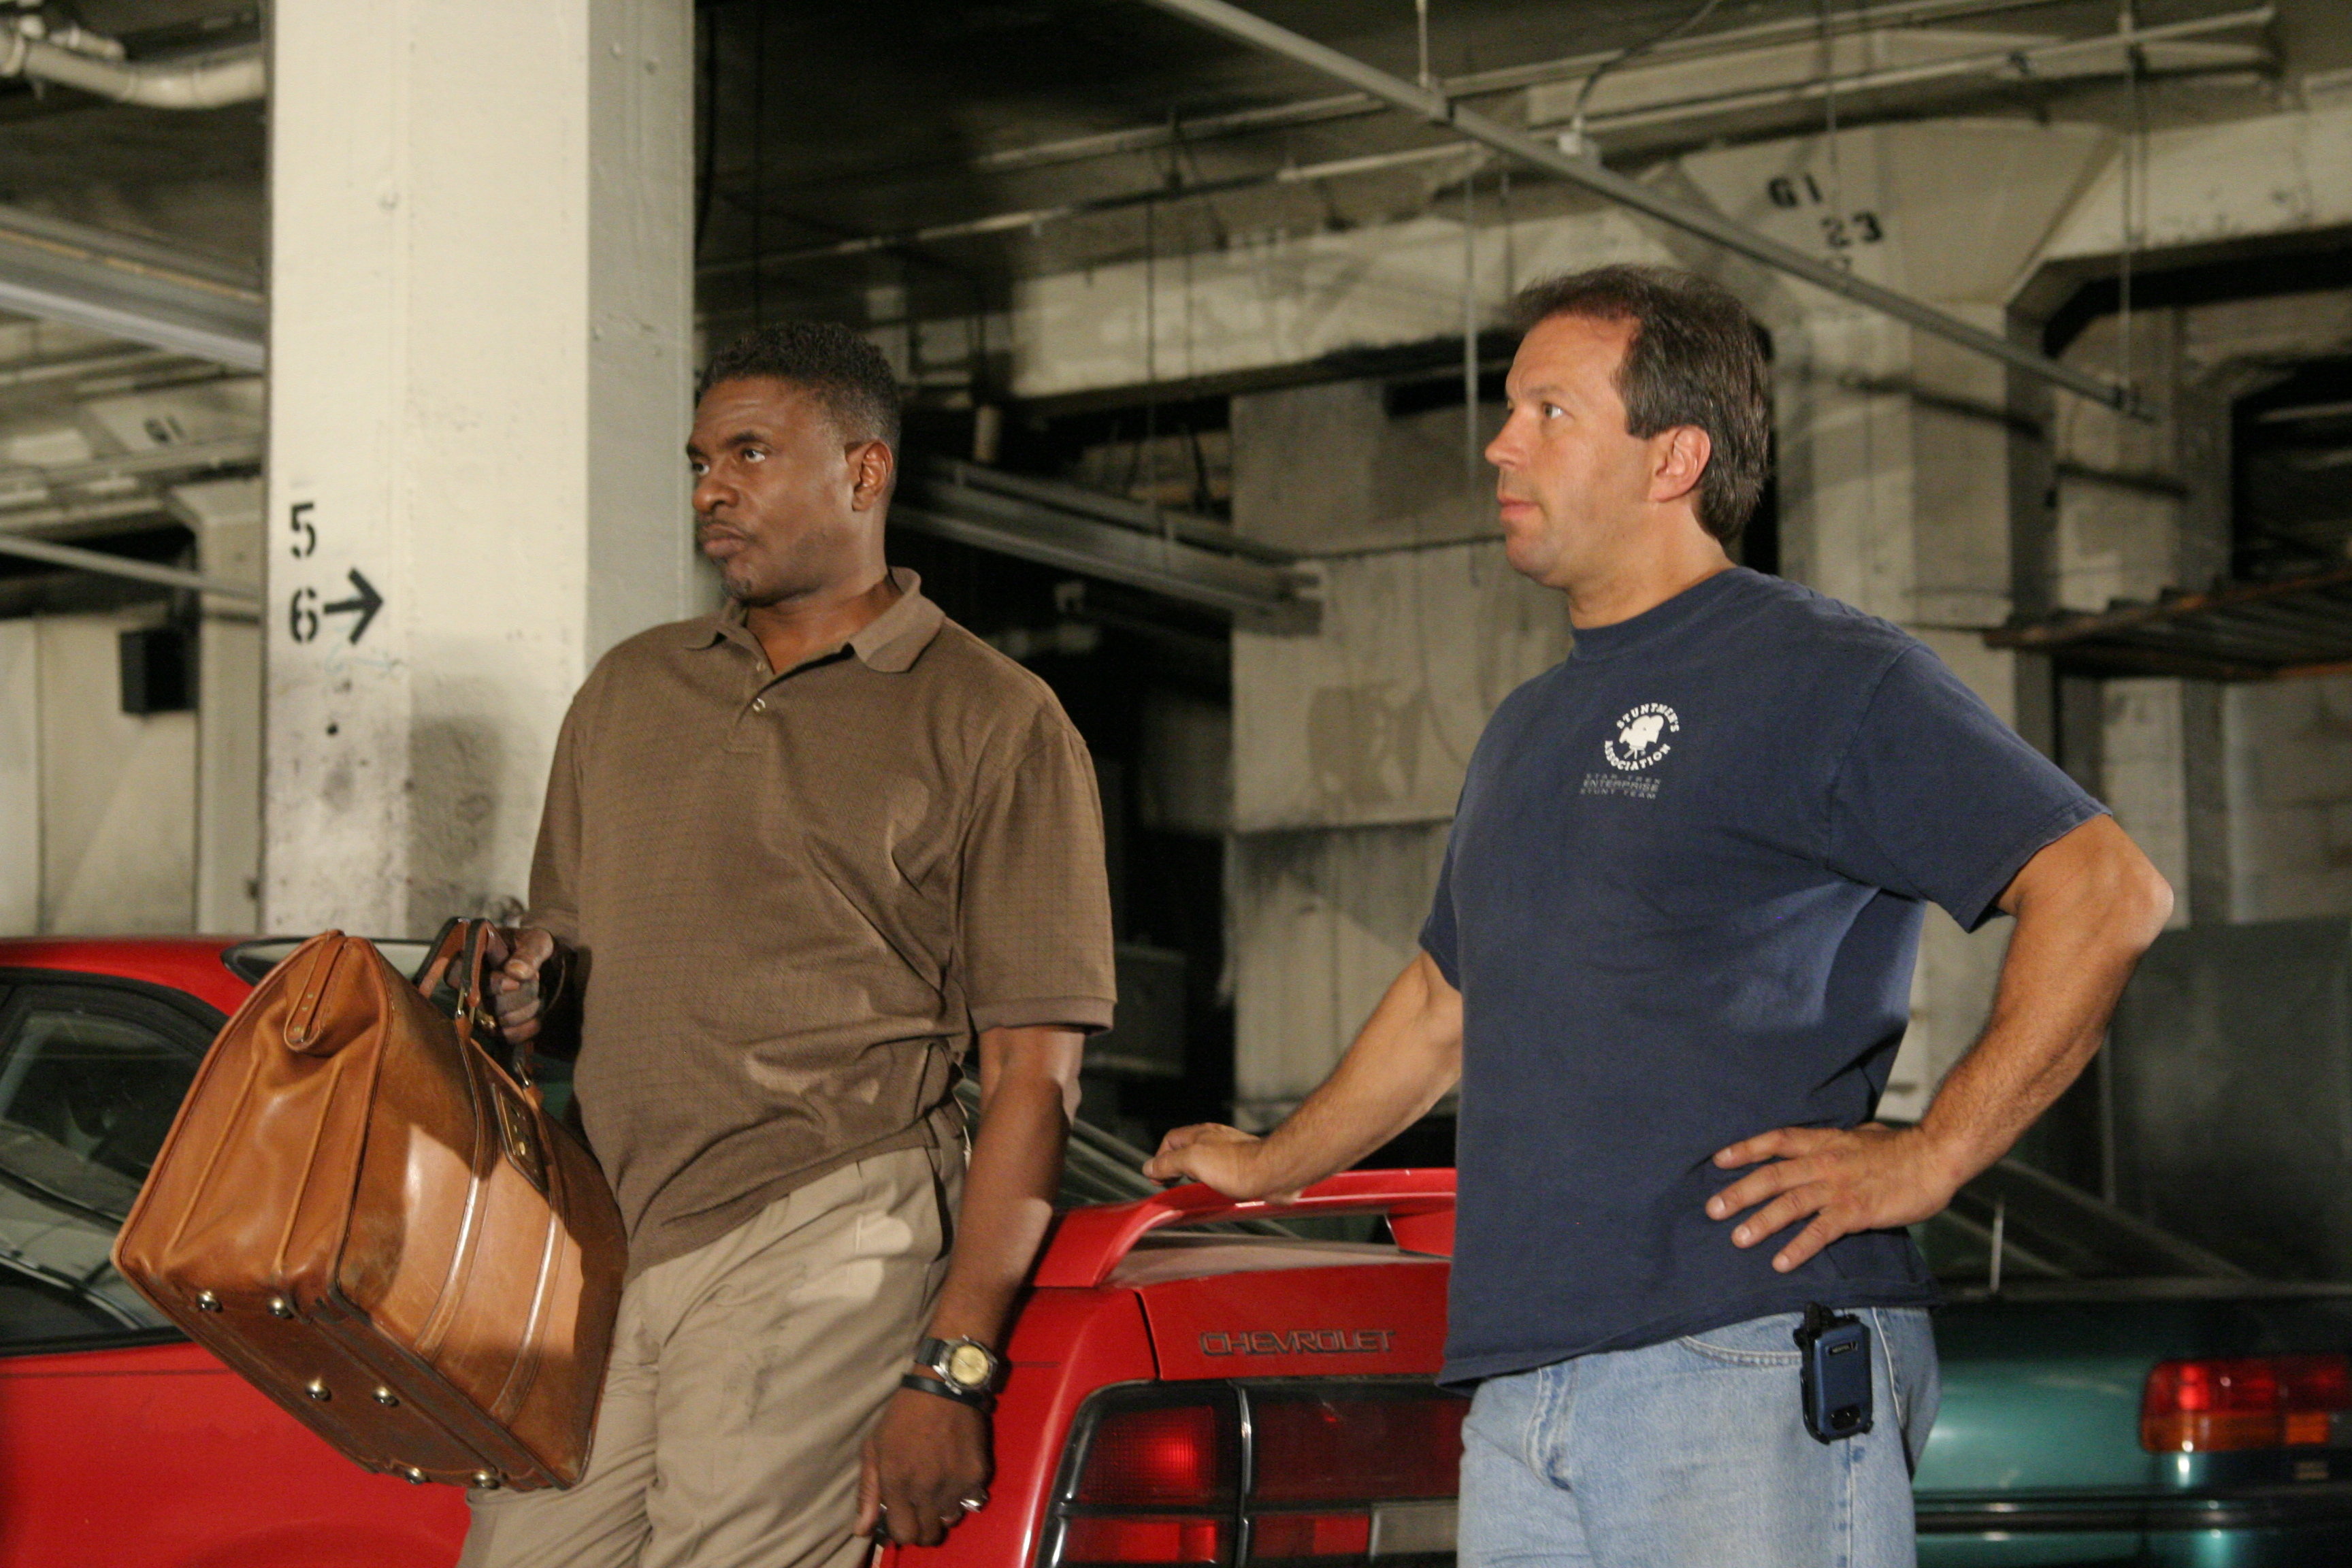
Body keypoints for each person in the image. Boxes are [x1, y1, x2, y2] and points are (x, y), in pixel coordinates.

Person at [1145, 265, 2173, 1567]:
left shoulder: (1824, 672)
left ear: (1673, 456)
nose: (1500, 444)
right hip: (1528, 1382)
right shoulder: (1529, 726)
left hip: (1740, 1357)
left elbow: (2107, 890)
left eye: (1550, 412)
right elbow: (1443, 1008)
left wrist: (1933, 1158)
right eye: (1510, 412)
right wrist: (1274, 1164)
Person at [461, 322, 1116, 1568]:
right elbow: (575, 958)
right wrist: (529, 987)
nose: (713, 488)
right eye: (702, 460)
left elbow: (1037, 1076)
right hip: (609, 1236)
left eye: (751, 454)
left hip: (826, 1223)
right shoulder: (629, 691)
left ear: (864, 473)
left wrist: (955, 1368)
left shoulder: (992, 718)